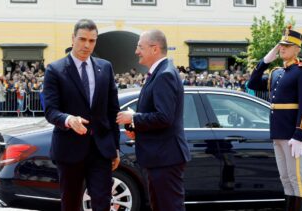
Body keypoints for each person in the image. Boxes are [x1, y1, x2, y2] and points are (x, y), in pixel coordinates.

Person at [43, 19, 120, 211]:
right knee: (70, 203)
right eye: (82, 39)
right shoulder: (55, 70)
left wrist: (115, 147)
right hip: (69, 149)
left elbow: (113, 111)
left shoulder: (106, 67)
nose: (87, 45)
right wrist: (68, 120)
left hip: (101, 150)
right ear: (72, 38)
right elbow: (50, 110)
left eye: (92, 41)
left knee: (102, 202)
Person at [116, 30, 191, 211]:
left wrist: (133, 117)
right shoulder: (160, 73)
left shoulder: (164, 75)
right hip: (160, 157)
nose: (136, 51)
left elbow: (164, 117)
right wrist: (136, 126)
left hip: (165, 158)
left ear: (154, 48)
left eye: (140, 47)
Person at [248, 26, 302, 211]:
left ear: (297, 49)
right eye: (281, 45)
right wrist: (265, 61)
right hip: (278, 133)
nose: (282, 48)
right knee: (285, 178)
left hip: (292, 135)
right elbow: (252, 83)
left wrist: (300, 135)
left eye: (287, 45)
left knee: (297, 179)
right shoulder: (276, 72)